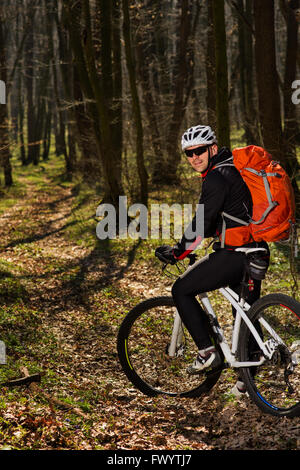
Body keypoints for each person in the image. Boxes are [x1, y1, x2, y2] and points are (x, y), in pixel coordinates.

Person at [155, 125, 269, 396]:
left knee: (181, 289)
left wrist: (178, 252)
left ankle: (207, 351)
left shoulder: (217, 177)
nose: (194, 157)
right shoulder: (232, 169)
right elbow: (219, 221)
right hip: (257, 253)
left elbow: (202, 222)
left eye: (199, 151)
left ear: (212, 149)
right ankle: (246, 383)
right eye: (189, 153)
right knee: (244, 316)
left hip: (236, 255)